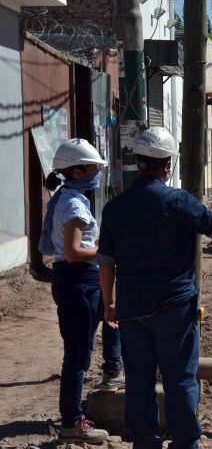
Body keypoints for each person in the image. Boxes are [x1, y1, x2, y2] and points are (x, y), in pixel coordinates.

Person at [97, 127, 212, 449]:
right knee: (180, 379)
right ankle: (185, 443)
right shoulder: (178, 202)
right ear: (167, 164)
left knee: (139, 382)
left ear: (138, 161)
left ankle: (145, 442)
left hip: (131, 310)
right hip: (175, 307)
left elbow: (106, 261)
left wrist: (109, 303)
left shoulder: (115, 208)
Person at [39, 138, 124, 444]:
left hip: (83, 280)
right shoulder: (73, 204)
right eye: (92, 168)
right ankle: (72, 423)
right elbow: (74, 252)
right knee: (77, 355)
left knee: (113, 315)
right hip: (77, 280)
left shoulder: (70, 197)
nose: (96, 173)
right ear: (76, 172)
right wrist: (106, 249)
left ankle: (113, 369)